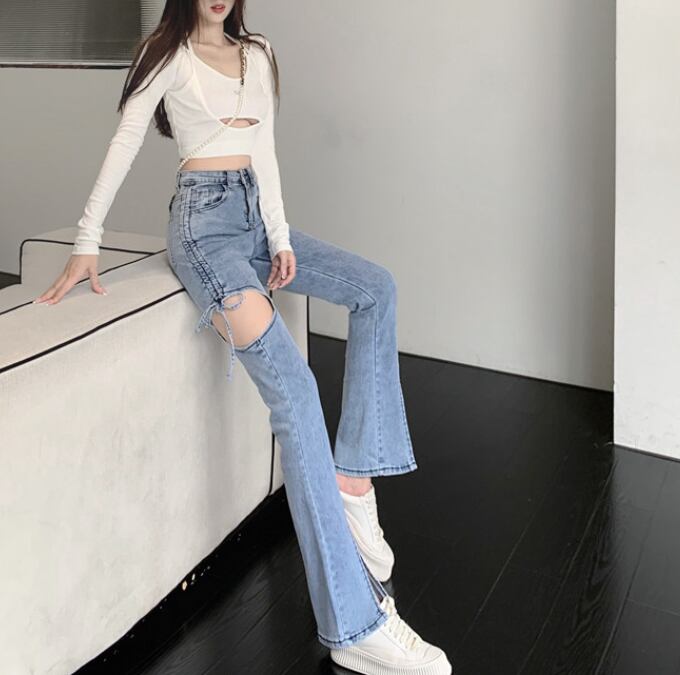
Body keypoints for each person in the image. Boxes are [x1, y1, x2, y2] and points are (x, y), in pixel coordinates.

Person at [34, 2, 452, 673]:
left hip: (255, 219)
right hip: (202, 233)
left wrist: (280, 237)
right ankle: (354, 625)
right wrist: (88, 241)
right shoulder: (165, 54)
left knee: (376, 288)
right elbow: (124, 144)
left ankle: (352, 481)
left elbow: (265, 151)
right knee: (296, 390)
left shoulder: (257, 52)